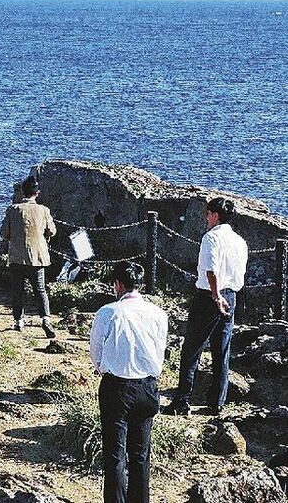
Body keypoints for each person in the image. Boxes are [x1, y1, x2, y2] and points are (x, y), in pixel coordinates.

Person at [162, 197, 248, 417]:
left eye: (208, 214)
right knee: (222, 349)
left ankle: (182, 400)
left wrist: (216, 295)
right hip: (231, 294)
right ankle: (217, 401)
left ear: (215, 215)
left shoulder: (211, 238)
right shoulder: (240, 241)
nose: (206, 218)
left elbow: (211, 271)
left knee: (192, 349)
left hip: (211, 296)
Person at [90, 261, 168, 503]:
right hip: (147, 386)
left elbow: (96, 352)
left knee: (115, 455)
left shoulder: (108, 312)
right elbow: (160, 348)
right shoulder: (158, 313)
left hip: (117, 386)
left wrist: (103, 368)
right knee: (141, 455)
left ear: (118, 284)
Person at [0, 176, 58, 338]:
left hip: (17, 257)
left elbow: (4, 233)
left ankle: (19, 321)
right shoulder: (44, 210)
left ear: (22, 192)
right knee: (40, 290)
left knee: (17, 291)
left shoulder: (13, 209)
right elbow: (52, 231)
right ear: (37, 193)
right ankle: (45, 319)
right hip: (38, 257)